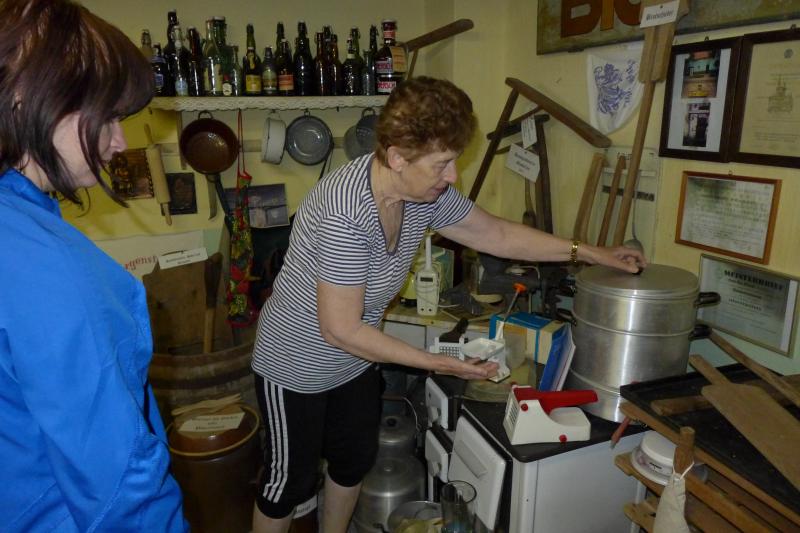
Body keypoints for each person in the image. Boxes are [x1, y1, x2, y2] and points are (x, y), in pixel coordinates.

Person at [251, 76, 645, 532]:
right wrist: (438, 362)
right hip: (296, 364)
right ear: (397, 158)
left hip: (355, 361)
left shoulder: (421, 194)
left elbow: (495, 234)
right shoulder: (346, 212)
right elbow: (340, 329)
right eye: (443, 164)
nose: (453, 175)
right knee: (289, 484)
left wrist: (592, 253)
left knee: (352, 461)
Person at [0, 1, 187, 531]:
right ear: (28, 94)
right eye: (108, 116)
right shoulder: (52, 268)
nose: (119, 142)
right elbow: (122, 487)